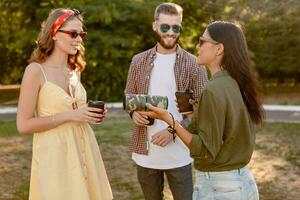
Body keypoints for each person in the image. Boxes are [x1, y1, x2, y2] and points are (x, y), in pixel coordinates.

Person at [142, 21, 264, 200]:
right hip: (242, 183)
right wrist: (194, 114)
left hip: (220, 188)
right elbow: (225, 132)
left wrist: (168, 119)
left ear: (219, 49)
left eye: (202, 41)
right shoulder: (236, 82)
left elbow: (205, 150)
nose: (197, 46)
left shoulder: (213, 90)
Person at [16, 8, 112, 200]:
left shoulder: (75, 69)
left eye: (81, 34)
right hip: (54, 156)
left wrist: (88, 114)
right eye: (73, 33)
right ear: (54, 33)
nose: (79, 39)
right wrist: (72, 115)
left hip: (85, 150)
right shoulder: (35, 71)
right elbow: (23, 125)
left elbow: (76, 113)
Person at [125, 2, 207, 200]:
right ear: (155, 26)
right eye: (165, 27)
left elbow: (204, 111)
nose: (170, 32)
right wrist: (134, 112)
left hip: (179, 154)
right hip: (145, 153)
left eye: (175, 27)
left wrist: (173, 130)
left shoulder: (195, 64)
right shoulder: (138, 61)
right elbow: (129, 96)